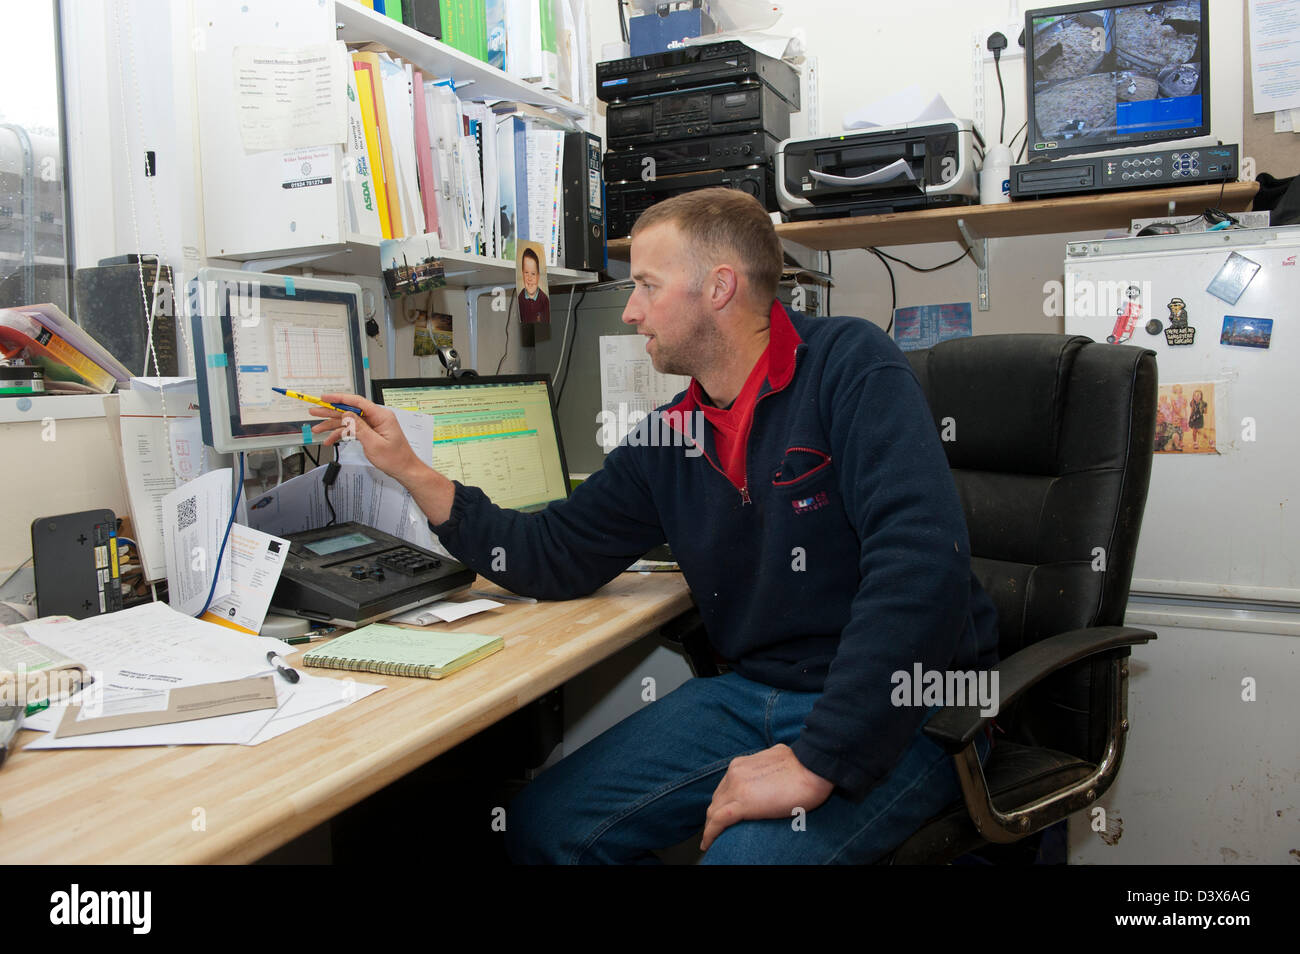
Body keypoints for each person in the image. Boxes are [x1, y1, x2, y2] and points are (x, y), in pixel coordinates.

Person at [309, 188, 999, 864]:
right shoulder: (673, 437)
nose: (632, 311)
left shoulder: (851, 366)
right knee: (542, 830)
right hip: (755, 694)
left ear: (719, 288)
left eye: (646, 285)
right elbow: (553, 552)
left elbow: (920, 564)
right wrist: (411, 470)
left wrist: (822, 756)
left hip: (908, 706)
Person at [517, 246, 550, 324]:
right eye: (526, 273)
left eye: (533, 274)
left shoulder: (544, 299)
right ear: (522, 274)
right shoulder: (520, 298)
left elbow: (546, 324)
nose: (529, 278)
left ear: (538, 276)